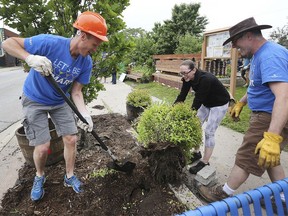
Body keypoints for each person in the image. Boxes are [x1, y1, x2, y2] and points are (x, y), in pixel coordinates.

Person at [2, 11, 108, 201]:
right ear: (83, 36)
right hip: (35, 98)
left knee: (71, 139)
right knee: (42, 147)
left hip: (60, 101)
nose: (95, 49)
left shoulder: (86, 62)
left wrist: (85, 115)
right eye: (94, 44)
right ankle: (39, 176)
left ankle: (69, 176)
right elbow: (7, 44)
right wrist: (30, 58)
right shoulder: (50, 42)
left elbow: (76, 92)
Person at [198, 17, 288, 207]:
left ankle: (223, 193)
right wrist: (241, 103)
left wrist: (272, 137)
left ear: (248, 36)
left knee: (247, 155)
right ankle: (282, 198)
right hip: (266, 112)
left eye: (236, 43)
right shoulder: (259, 55)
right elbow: (257, 86)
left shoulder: (270, 55)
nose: (235, 49)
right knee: (269, 158)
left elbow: (283, 96)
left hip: (270, 115)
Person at [174, 60, 230, 174]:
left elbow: (197, 100)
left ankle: (204, 162)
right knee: (195, 126)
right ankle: (196, 152)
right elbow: (182, 95)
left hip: (219, 104)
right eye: (181, 73)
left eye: (185, 73)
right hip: (206, 102)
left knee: (209, 132)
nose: (183, 76)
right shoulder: (187, 78)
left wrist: (189, 115)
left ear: (194, 70)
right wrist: (172, 110)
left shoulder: (206, 79)